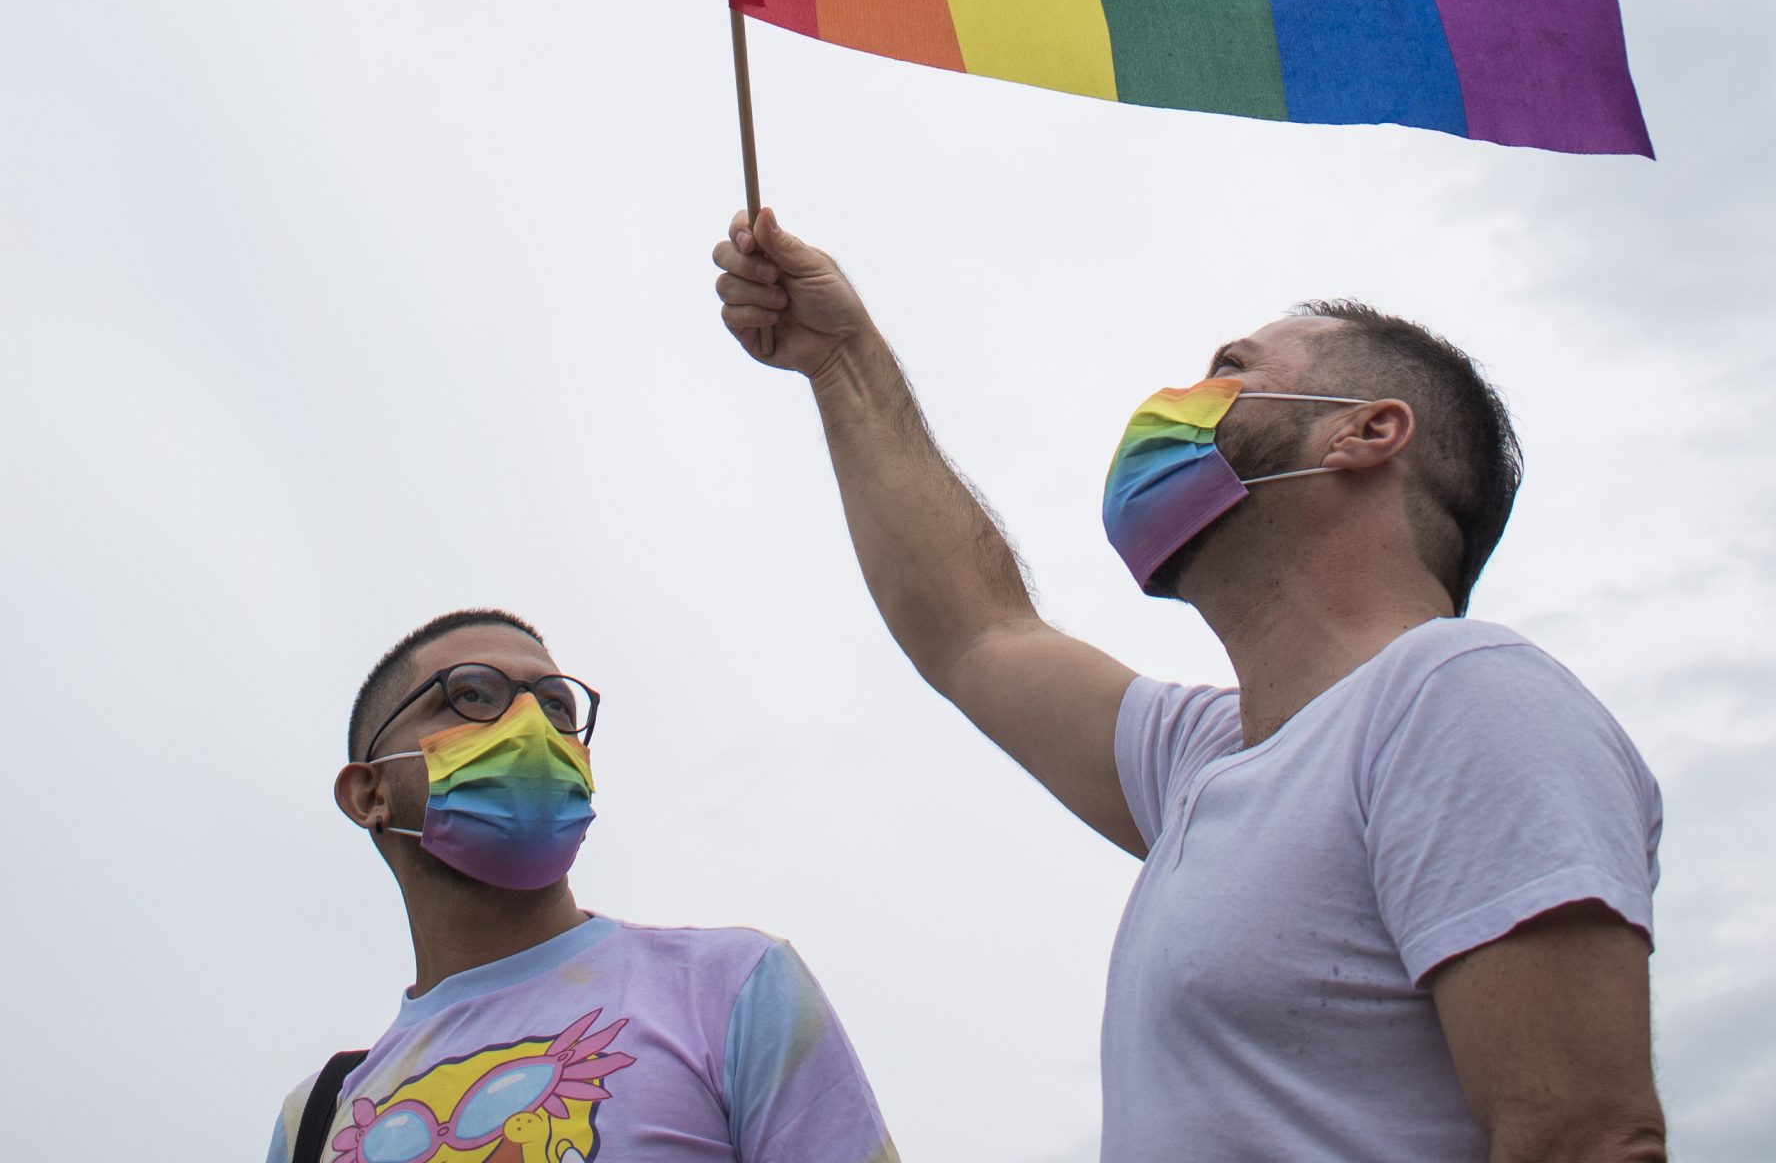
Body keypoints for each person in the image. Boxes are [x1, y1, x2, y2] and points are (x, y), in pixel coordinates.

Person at [713, 207, 1667, 1163]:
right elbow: (974, 631)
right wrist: (842, 361)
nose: (1183, 397)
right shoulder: (1204, 762)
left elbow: (1582, 1136)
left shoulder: (1458, 698)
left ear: (1365, 432)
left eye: (1231, 369)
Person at [265, 605, 898, 1163]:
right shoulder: (317, 1119)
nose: (533, 727)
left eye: (556, 706)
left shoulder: (733, 987)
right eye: (474, 696)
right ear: (369, 793)